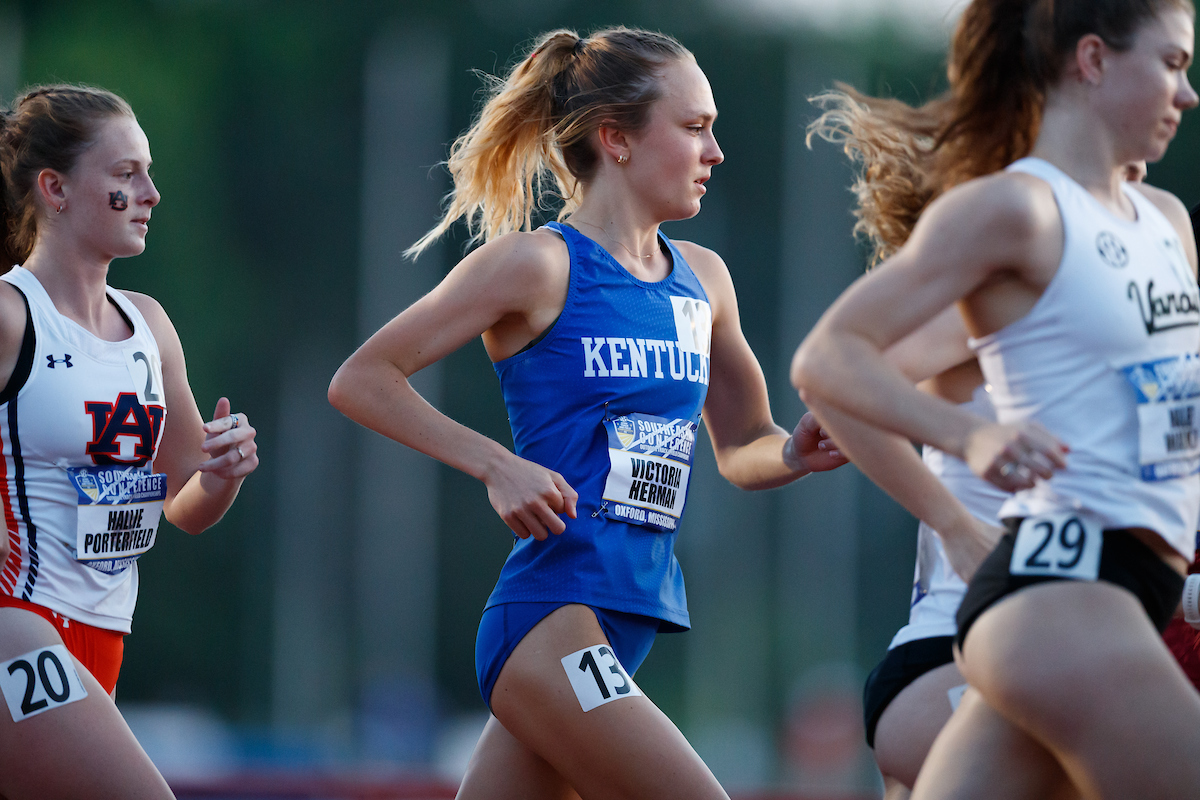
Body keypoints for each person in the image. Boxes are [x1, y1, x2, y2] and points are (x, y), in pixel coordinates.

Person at [328, 27, 846, 800]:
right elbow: (362, 379)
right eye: (695, 127)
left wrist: (795, 452)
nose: (717, 152)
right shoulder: (537, 264)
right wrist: (495, 463)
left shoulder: (705, 281)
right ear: (617, 140)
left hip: (629, 619)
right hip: (551, 618)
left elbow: (744, 446)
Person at [791, 0, 1200, 796]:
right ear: (1092, 60)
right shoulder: (1016, 208)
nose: (1186, 95)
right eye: (1174, 65)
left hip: (1113, 600)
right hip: (1062, 598)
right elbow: (828, 359)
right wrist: (965, 439)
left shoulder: (1164, 222)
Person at [0, 84, 259, 799]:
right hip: (17, 627)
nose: (150, 192)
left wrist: (224, 472)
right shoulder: (11, 314)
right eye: (124, 175)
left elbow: (185, 503)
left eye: (147, 171)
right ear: (54, 188)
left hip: (102, 638)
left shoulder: (148, 325)